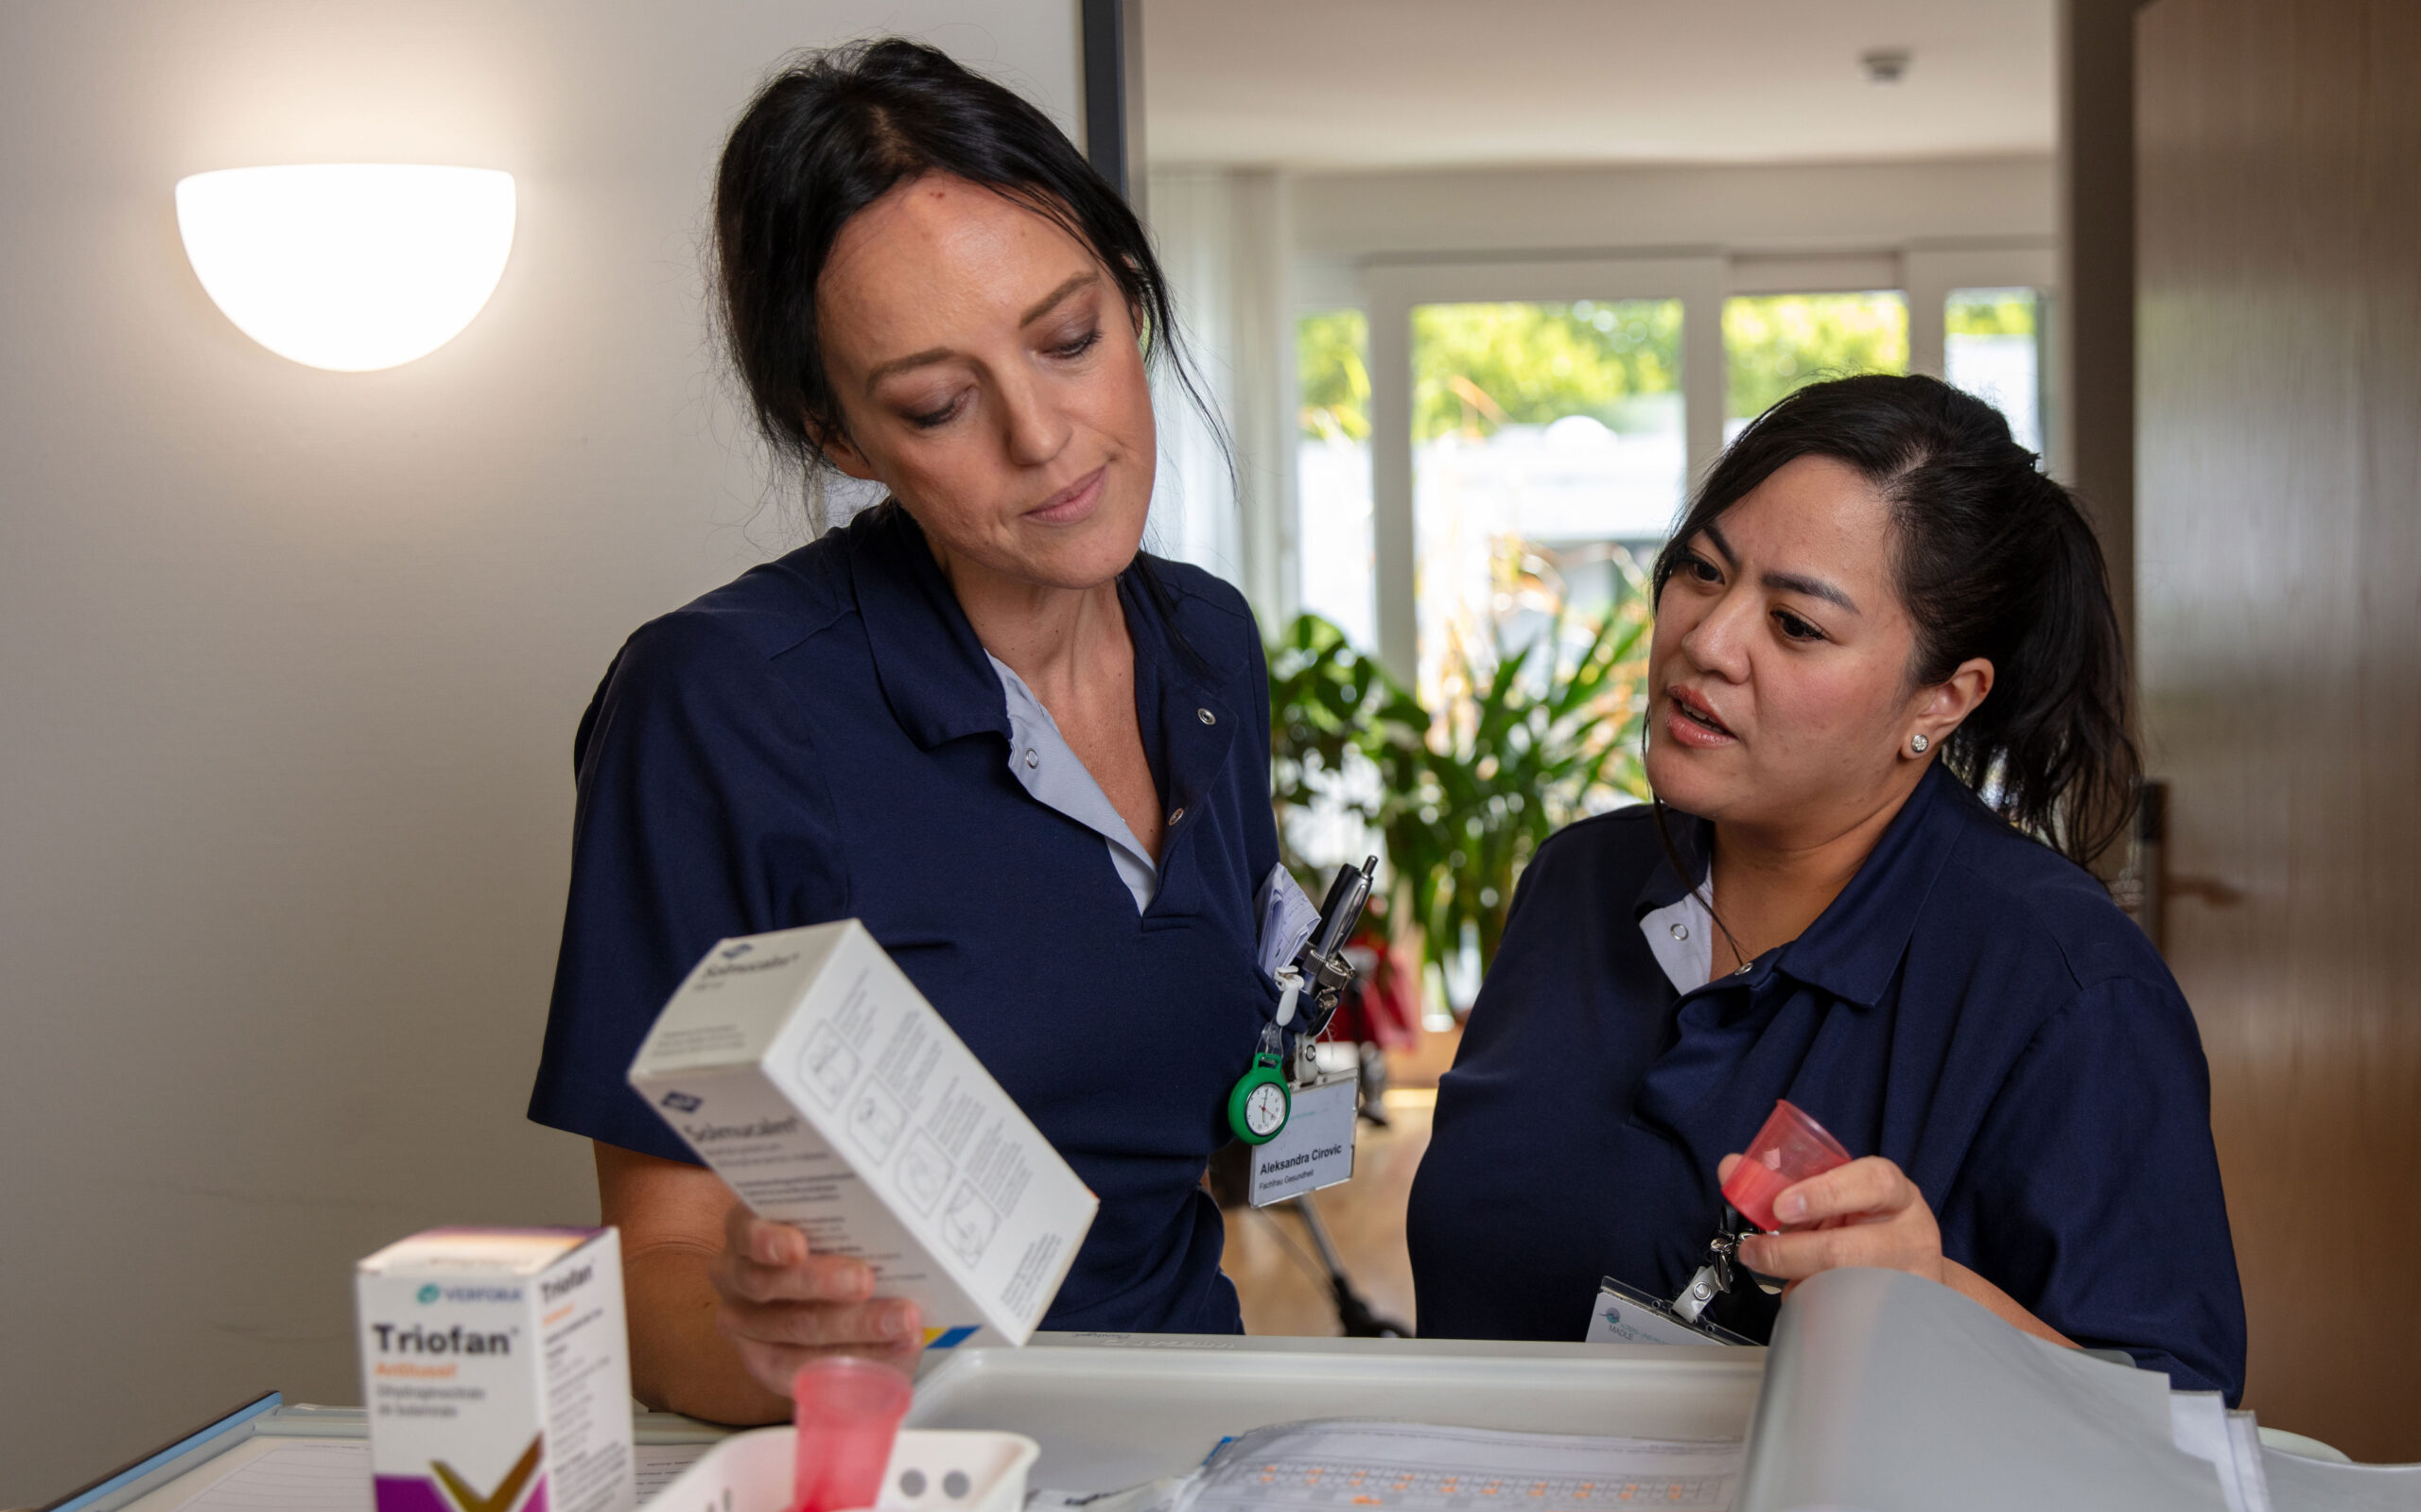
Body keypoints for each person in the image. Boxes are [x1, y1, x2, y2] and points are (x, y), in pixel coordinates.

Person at [527, 40, 1291, 1426]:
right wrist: (778, 1345)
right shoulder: (722, 704)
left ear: (1130, 297)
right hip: (917, 1477)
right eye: (939, 403)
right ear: (841, 437)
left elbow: (1176, 1138)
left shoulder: (1207, 648)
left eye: (1070, 340)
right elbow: (657, 1271)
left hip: (1199, 1436)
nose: (1043, 435)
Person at [1405, 374, 2247, 1399]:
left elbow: (2177, 1426)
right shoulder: (1575, 883)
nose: (1706, 643)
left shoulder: (2068, 990)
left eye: (1796, 624)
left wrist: (1936, 1301)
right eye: (1703, 571)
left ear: (1941, 700)